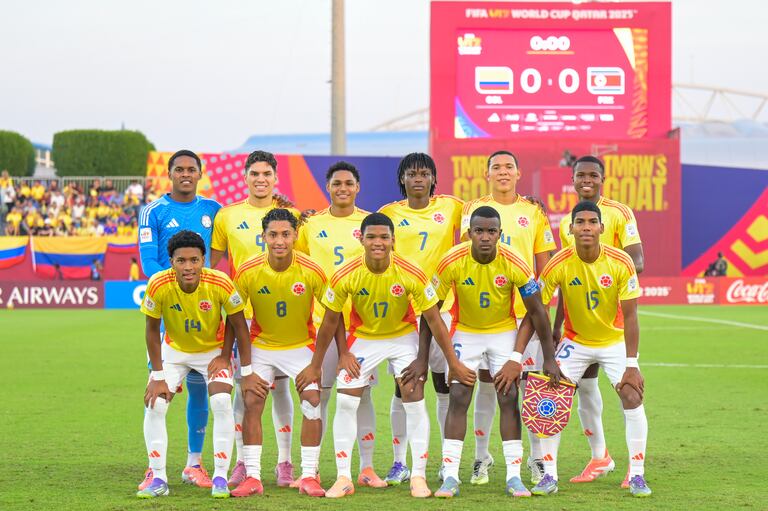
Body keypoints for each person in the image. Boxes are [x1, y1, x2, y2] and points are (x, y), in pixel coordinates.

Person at [295, 212, 477, 499]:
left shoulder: (411, 272)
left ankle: (417, 476)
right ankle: (344, 476)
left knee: (414, 399)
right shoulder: (346, 273)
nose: (377, 243)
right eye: (371, 237)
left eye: (383, 237)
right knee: (345, 401)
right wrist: (325, 362)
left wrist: (446, 362)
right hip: (364, 339)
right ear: (361, 239)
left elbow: (433, 320)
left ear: (393, 240)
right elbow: (330, 321)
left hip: (402, 337)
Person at [520, 201, 651, 498]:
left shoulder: (620, 261)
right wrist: (548, 358)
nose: (587, 227)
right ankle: (549, 476)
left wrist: (632, 364)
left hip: (614, 341)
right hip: (575, 342)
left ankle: (638, 474)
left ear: (602, 228)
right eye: (581, 222)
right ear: (571, 229)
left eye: (593, 222)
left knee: (631, 394)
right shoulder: (559, 263)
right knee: (550, 395)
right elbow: (536, 310)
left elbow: (631, 316)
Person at [431, 206, 563, 499]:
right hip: (466, 331)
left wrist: (530, 357)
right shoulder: (451, 260)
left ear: (500, 234)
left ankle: (514, 476)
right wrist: (440, 357)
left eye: (492, 231)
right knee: (459, 395)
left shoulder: (515, 261)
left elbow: (537, 311)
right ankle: (450, 475)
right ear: (469, 234)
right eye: (479, 231)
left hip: (503, 332)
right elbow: (431, 311)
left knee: (508, 395)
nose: (486, 237)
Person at [461, 150, 556, 485]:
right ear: (487, 173)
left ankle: (536, 459)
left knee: (529, 388)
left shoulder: (533, 210)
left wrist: (540, 306)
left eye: (508, 167)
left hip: (525, 314)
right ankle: (481, 457)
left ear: (518, 173)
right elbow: (465, 258)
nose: (503, 172)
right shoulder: (473, 210)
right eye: (496, 167)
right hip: (488, 316)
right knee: (488, 386)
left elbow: (545, 262)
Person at [210, 150, 302, 488]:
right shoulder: (227, 216)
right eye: (254, 173)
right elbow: (213, 262)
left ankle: (285, 463)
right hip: (243, 316)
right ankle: (241, 463)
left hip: (283, 315)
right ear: (245, 177)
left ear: (276, 177)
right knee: (246, 391)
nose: (260, 179)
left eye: (267, 173)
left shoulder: (292, 215)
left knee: (281, 391)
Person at [137, 230, 251, 499]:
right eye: (181, 261)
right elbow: (152, 331)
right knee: (156, 403)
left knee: (221, 401)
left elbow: (238, 326)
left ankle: (221, 477)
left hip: (212, 351)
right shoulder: (158, 284)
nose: (188, 267)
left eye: (194, 260)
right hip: (174, 351)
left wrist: (232, 362)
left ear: (203, 260)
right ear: (171, 261)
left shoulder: (220, 282)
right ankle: (158, 477)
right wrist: (157, 375)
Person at [556, 155, 645, 486]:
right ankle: (599, 457)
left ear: (603, 179)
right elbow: (567, 276)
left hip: (613, 318)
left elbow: (639, 260)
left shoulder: (620, 213)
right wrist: (556, 326)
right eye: (581, 175)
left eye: (593, 175)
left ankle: (636, 470)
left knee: (628, 391)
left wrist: (602, 269)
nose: (587, 180)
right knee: (583, 388)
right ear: (573, 179)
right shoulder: (569, 219)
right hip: (578, 325)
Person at [295, 161, 385, 487]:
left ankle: (367, 467)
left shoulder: (371, 223)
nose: (343, 188)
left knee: (360, 397)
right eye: (337, 183)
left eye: (348, 183)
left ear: (357, 187)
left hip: (359, 327)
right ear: (328, 186)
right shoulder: (310, 224)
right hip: (321, 323)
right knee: (319, 395)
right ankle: (312, 469)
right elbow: (300, 267)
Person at [137, 149, 222, 490]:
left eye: (191, 169)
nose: (185, 174)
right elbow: (148, 263)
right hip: (167, 313)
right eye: (179, 169)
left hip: (205, 316)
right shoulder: (153, 211)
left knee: (201, 392)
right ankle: (153, 468)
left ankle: (194, 463)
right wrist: (181, 288)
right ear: (169, 174)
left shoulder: (213, 211)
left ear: (200, 174)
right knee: (157, 391)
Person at [229, 209, 326, 498]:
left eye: (286, 234)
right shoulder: (247, 271)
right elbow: (234, 319)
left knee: (312, 402)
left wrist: (317, 364)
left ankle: (309, 475)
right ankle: (253, 476)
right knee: (252, 400)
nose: (280, 240)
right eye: (273, 234)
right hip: (263, 347)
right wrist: (243, 369)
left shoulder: (312, 269)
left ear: (296, 235)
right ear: (263, 237)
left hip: (301, 347)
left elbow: (334, 315)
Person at [378, 152, 463, 484]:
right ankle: (400, 462)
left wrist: (529, 200)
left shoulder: (452, 207)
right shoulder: (388, 213)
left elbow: (488, 210)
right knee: (405, 386)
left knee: (444, 386)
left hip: (441, 310)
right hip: (402, 312)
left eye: (424, 173)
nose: (417, 178)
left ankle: (445, 460)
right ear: (402, 179)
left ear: (433, 179)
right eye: (411, 173)